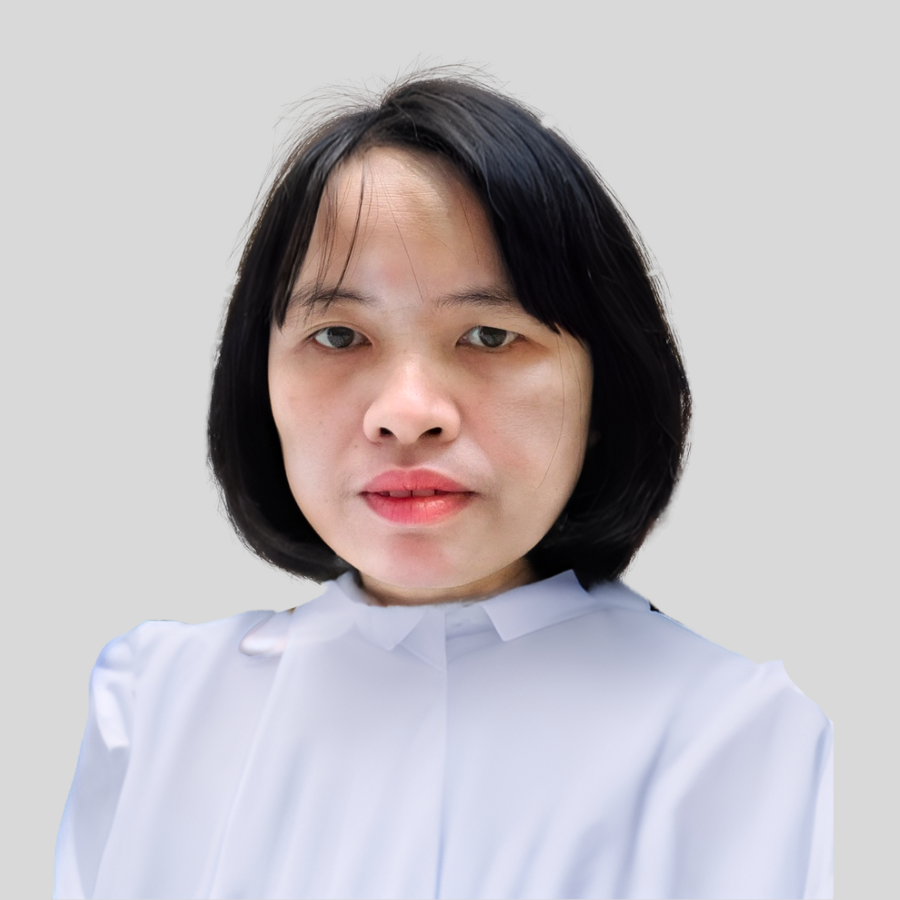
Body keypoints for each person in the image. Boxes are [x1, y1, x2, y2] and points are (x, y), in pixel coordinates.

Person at [54, 72, 833, 899]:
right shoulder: (154, 705)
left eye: (489, 336)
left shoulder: (741, 737)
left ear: (605, 390)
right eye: (339, 335)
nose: (406, 414)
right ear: (259, 385)